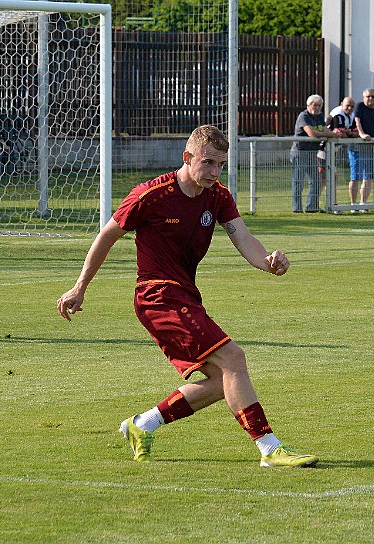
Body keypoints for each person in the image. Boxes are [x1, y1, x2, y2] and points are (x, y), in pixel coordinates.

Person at [55, 125, 318, 468]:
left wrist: (268, 262)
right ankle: (270, 448)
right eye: (208, 162)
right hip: (156, 295)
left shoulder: (218, 196)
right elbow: (107, 235)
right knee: (234, 359)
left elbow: (243, 237)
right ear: (187, 157)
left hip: (185, 296)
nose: (214, 172)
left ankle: (143, 424)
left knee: (224, 379)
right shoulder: (151, 194)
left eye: (220, 164)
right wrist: (80, 287)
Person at [291, 94, 344, 213]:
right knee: (298, 182)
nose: (317, 108)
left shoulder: (320, 116)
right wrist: (331, 134)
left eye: (319, 105)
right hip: (300, 153)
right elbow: (311, 133)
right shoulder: (303, 116)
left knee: (316, 180)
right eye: (314, 105)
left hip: (312, 153)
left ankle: (312, 207)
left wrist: (333, 133)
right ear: (308, 105)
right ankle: (297, 209)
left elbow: (325, 130)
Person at [352, 88, 374, 208]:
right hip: (357, 147)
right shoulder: (359, 107)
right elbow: (358, 122)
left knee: (368, 177)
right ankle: (353, 205)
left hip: (370, 148)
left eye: (373, 97)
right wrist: (362, 134)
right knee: (355, 176)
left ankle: (363, 204)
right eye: (368, 96)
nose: (370, 99)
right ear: (364, 97)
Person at [323, 96, 358, 206]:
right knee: (325, 177)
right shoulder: (338, 114)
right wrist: (349, 133)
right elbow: (340, 134)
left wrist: (349, 133)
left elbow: (356, 132)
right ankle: (330, 203)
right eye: (347, 105)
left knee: (331, 176)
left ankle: (331, 203)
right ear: (342, 103)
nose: (350, 108)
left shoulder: (351, 115)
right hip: (323, 148)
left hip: (333, 150)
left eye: (352, 106)